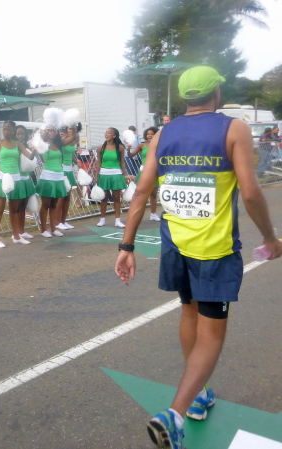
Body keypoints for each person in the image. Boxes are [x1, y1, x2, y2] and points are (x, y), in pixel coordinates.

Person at [115, 66, 282, 449]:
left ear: (184, 97)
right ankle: (174, 415)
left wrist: (126, 247)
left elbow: (141, 191)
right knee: (211, 334)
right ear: (217, 92)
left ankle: (200, 394)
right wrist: (270, 238)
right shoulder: (234, 128)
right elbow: (251, 192)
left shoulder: (163, 134)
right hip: (214, 249)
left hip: (175, 244)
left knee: (189, 313)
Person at [0, 121, 35, 247]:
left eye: (8, 129)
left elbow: (30, 157)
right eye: (4, 129)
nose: (6, 131)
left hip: (16, 179)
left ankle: (16, 236)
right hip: (2, 178)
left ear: (13, 130)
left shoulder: (18, 144)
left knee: (14, 210)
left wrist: (36, 149)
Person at [94, 127, 129, 228]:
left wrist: (125, 175)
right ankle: (102, 219)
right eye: (106, 132)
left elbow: (122, 163)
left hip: (116, 174)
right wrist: (96, 177)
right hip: (104, 174)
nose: (106, 134)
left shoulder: (120, 148)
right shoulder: (100, 148)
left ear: (114, 136)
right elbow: (98, 163)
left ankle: (117, 220)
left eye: (109, 133)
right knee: (104, 198)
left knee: (116, 198)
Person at [36, 126, 67, 237]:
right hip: (47, 177)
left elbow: (72, 138)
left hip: (58, 177)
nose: (52, 132)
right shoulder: (43, 144)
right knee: (45, 204)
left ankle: (54, 228)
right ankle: (44, 229)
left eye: (54, 130)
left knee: (54, 205)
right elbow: (35, 143)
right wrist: (40, 133)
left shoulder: (58, 144)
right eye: (49, 130)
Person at [129, 126, 160, 222]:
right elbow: (131, 155)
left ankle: (153, 214)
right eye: (148, 134)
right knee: (141, 194)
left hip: (154, 171)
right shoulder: (142, 145)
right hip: (143, 172)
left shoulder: (159, 144)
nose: (149, 136)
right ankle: (136, 214)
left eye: (152, 134)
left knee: (153, 194)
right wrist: (128, 149)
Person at [15, 125, 38, 240]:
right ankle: (16, 232)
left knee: (23, 207)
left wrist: (35, 148)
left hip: (26, 179)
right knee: (17, 207)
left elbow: (30, 158)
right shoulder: (14, 147)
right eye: (18, 134)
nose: (20, 136)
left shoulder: (26, 147)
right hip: (17, 179)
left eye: (22, 134)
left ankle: (22, 231)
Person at [55, 124, 80, 231]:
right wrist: (75, 136)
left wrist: (76, 161)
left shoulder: (73, 140)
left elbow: (70, 153)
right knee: (61, 196)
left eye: (74, 128)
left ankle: (63, 221)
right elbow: (64, 146)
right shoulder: (62, 139)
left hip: (69, 170)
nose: (72, 130)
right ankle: (57, 221)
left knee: (68, 197)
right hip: (62, 169)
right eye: (70, 128)